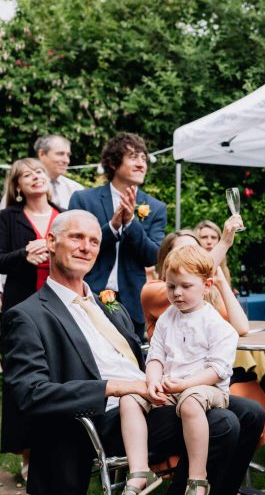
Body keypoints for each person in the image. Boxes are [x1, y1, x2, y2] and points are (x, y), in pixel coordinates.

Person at [0, 210, 264, 495]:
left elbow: (144, 355)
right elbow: (29, 393)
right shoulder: (27, 315)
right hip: (104, 414)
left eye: (94, 240)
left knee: (252, 413)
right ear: (50, 241)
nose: (86, 247)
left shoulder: (106, 302)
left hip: (150, 394)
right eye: (76, 237)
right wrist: (117, 387)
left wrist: (158, 379)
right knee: (223, 424)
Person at [118, 245, 237, 495]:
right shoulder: (166, 319)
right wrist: (153, 381)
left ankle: (197, 480)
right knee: (129, 397)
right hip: (172, 386)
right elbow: (156, 357)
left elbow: (217, 370)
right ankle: (139, 472)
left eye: (185, 286)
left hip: (206, 388)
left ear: (206, 286)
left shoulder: (217, 325)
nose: (177, 293)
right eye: (171, 287)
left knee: (192, 402)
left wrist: (186, 384)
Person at [141, 225, 265, 447]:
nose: (191, 259)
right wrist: (223, 244)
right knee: (231, 401)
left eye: (196, 253)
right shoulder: (160, 291)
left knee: (249, 396)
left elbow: (240, 327)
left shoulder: (203, 294)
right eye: (183, 253)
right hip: (174, 377)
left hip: (210, 372)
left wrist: (220, 282)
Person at [69, 132, 167, 340]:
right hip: (87, 294)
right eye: (133, 157)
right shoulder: (84, 200)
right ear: (113, 163)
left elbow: (153, 256)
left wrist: (131, 223)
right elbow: (73, 246)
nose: (141, 164)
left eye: (144, 158)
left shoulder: (156, 208)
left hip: (132, 302)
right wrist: (113, 226)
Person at [0, 158, 61, 314]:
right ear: (18, 186)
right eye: (27, 174)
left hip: (61, 300)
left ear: (47, 179)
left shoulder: (65, 216)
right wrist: (24, 254)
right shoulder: (6, 217)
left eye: (39, 172)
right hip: (21, 303)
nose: (35, 176)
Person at [32, 135, 83, 209]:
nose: (66, 160)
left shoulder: (75, 189)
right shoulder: (27, 188)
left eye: (68, 155)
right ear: (42, 154)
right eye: (60, 154)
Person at [194, 219, 232, 284]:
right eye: (204, 237)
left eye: (213, 237)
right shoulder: (191, 266)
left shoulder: (223, 268)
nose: (209, 242)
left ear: (219, 241)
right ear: (196, 240)